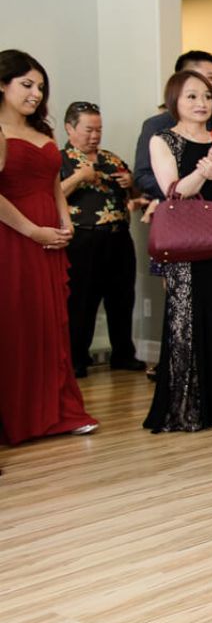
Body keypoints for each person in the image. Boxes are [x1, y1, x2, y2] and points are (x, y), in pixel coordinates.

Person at [144, 70, 212, 432]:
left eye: (206, 96)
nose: (201, 103)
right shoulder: (162, 140)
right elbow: (174, 191)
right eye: (192, 96)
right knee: (186, 320)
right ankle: (186, 409)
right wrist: (205, 169)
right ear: (175, 99)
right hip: (184, 244)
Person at [0, 49, 98, 443]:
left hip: (47, 239)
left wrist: (64, 218)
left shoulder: (44, 133)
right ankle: (16, 417)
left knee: (49, 323)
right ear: (2, 85)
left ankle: (57, 412)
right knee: (16, 323)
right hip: (13, 238)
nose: (36, 94)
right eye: (27, 85)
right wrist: (33, 231)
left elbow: (53, 183)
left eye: (40, 87)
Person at [59, 101, 145, 377]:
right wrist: (78, 177)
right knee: (81, 301)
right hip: (83, 239)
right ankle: (76, 358)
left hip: (119, 237)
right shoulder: (60, 160)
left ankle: (123, 354)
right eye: (88, 129)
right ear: (70, 128)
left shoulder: (112, 159)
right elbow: (51, 197)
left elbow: (136, 199)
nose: (95, 135)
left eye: (99, 129)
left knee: (122, 298)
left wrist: (131, 184)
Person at [133, 50, 212, 202]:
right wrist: (172, 191)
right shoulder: (158, 129)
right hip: (179, 215)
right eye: (210, 78)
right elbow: (143, 177)